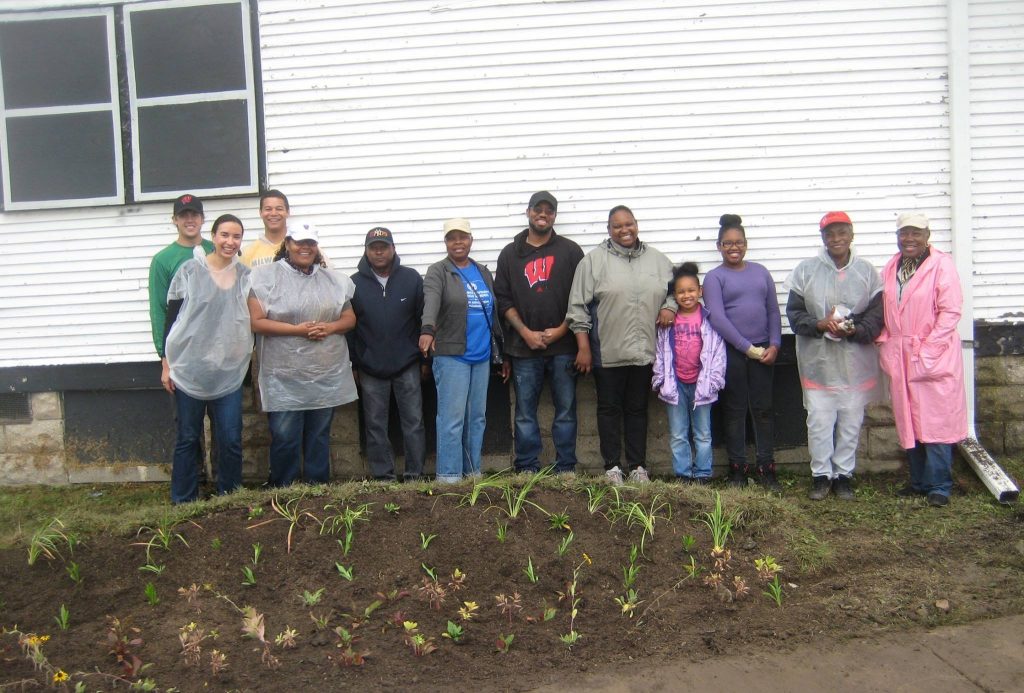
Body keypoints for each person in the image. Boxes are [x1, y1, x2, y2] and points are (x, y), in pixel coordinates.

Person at [566, 205, 675, 485]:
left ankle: (638, 466)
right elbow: (577, 308)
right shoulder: (593, 262)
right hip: (607, 352)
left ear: (636, 225)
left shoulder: (658, 260)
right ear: (609, 229)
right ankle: (612, 466)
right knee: (608, 408)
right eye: (617, 226)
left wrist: (671, 307)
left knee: (638, 408)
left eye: (629, 224)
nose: (624, 230)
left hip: (645, 352)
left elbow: (678, 290)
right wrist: (583, 347)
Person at [248, 222, 357, 487]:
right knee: (285, 435)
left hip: (323, 374)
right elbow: (256, 321)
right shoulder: (264, 277)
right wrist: (296, 330)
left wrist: (329, 326)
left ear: (316, 247)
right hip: (283, 375)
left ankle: (317, 488)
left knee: (319, 434)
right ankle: (283, 486)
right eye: (299, 242)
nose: (305, 247)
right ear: (288, 244)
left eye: (310, 243)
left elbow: (349, 317)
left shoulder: (332, 280)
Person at [785, 211, 884, 501]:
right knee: (819, 421)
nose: (836, 239)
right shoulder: (805, 271)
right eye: (830, 234)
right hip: (818, 364)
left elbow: (876, 318)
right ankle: (820, 475)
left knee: (851, 421)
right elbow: (794, 315)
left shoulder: (868, 273)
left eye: (842, 232)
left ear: (852, 234)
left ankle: (843, 475)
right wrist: (819, 324)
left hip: (855, 363)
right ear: (823, 238)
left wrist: (852, 330)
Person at [877, 212, 967, 507]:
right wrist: (884, 341)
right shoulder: (892, 266)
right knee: (909, 419)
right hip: (901, 352)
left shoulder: (941, 265)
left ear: (927, 236)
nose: (909, 239)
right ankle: (917, 481)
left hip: (932, 352)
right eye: (904, 233)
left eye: (916, 233)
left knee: (936, 420)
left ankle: (940, 484)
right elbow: (882, 306)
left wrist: (929, 349)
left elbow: (950, 311)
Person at [161, 214, 253, 504]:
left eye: (236, 236)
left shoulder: (246, 276)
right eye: (224, 234)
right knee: (188, 437)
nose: (230, 241)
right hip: (190, 369)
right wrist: (166, 363)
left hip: (228, 372)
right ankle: (183, 499)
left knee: (230, 438)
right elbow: (172, 319)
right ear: (213, 236)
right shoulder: (190, 271)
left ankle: (229, 496)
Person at [494, 191, 584, 474]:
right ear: (528, 212)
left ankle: (566, 467)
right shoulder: (510, 254)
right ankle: (527, 467)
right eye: (538, 209)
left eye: (549, 210)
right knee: (524, 413)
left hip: (564, 346)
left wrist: (561, 330)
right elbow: (503, 299)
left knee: (566, 411)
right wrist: (525, 333)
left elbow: (580, 297)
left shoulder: (571, 251)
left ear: (555, 215)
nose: (543, 214)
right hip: (523, 349)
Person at [703, 214, 783, 491]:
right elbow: (718, 319)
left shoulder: (760, 272)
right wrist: (747, 348)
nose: (733, 248)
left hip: (764, 351)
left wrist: (774, 344)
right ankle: (737, 469)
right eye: (727, 243)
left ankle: (766, 468)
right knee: (734, 410)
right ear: (719, 246)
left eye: (738, 243)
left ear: (746, 244)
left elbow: (773, 309)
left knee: (763, 410)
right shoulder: (715, 278)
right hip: (733, 352)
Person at [419, 218, 502, 483]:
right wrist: (427, 329)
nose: (458, 242)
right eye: (452, 238)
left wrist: (501, 350)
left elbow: (493, 312)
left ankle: (472, 472)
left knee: (477, 418)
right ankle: (449, 478)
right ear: (445, 242)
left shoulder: (482, 271)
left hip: (481, 356)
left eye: (463, 237)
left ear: (471, 240)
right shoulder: (438, 271)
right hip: (452, 355)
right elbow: (430, 300)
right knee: (452, 420)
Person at [349, 226, 427, 481]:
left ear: (393, 249)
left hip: (407, 365)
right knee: (375, 425)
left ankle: (414, 474)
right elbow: (350, 327)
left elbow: (422, 321)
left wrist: (425, 359)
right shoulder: (353, 283)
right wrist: (354, 364)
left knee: (414, 422)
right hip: (370, 367)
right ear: (366, 251)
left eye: (384, 247)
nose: (379, 252)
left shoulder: (412, 278)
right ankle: (384, 477)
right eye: (374, 247)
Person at [652, 262, 726, 483]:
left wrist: (714, 381)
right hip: (675, 384)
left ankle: (703, 474)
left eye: (691, 290)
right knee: (678, 434)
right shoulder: (669, 321)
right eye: (681, 292)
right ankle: (683, 474)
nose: (687, 295)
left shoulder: (709, 320)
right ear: (674, 295)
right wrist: (660, 378)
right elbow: (660, 350)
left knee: (702, 434)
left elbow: (718, 352)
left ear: (700, 291)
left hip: (702, 385)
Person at [240, 189, 291, 269]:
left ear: (288, 212)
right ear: (260, 213)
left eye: (279, 209)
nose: (273, 213)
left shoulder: (301, 248)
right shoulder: (246, 253)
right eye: (268, 209)